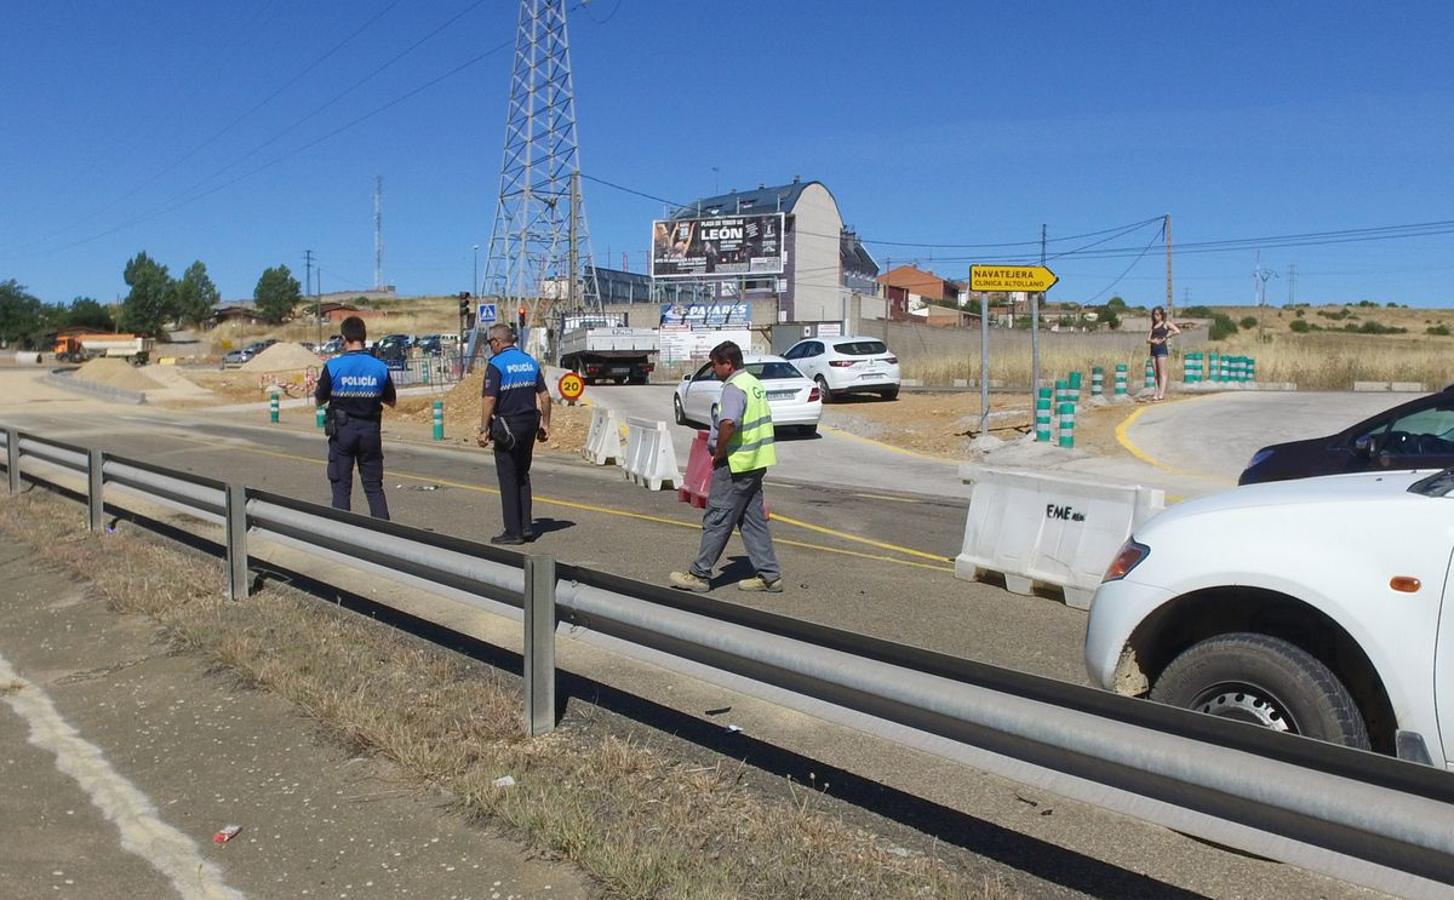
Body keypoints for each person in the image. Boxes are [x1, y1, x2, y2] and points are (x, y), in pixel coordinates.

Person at [669, 340, 782, 593]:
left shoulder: (733, 388)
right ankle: (769, 575)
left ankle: (699, 574)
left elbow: (729, 424)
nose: (713, 370)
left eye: (715, 365)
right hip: (755, 463)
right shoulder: (753, 384)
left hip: (735, 464)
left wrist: (719, 454)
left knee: (718, 518)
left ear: (728, 364)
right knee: (752, 521)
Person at [314, 315, 396, 518]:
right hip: (370, 431)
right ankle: (385, 538)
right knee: (373, 487)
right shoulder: (379, 367)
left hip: (342, 432)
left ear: (344, 338)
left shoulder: (333, 367)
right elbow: (391, 401)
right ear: (364, 337)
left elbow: (319, 399)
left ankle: (343, 538)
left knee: (341, 487)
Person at [476, 323, 550, 545]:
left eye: (491, 344)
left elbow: (489, 399)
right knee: (522, 474)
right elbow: (545, 396)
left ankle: (513, 531)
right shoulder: (530, 362)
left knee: (507, 477)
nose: (491, 348)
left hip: (507, 426)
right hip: (530, 424)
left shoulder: (496, 365)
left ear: (498, 342)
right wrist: (546, 424)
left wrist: (483, 429)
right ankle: (527, 527)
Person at [1147, 306, 1181, 401]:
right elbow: (1147, 339)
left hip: (1162, 350)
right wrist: (1153, 341)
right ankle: (1156, 393)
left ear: (1162, 315)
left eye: (1157, 314)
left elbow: (1177, 331)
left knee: (1162, 373)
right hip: (1153, 350)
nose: (1155, 316)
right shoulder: (1153, 326)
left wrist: (1166, 337)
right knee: (1155, 374)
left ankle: (1161, 394)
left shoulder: (1166, 324)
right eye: (1154, 314)